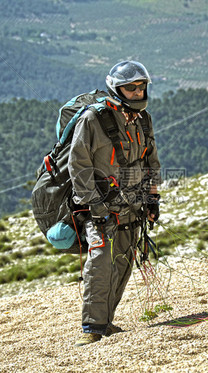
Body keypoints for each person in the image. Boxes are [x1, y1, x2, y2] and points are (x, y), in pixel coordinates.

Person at [68, 61, 162, 346]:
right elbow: (78, 164)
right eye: (130, 88)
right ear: (116, 89)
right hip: (100, 207)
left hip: (133, 205)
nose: (136, 92)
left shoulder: (143, 119)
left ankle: (106, 322)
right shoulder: (93, 120)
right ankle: (91, 329)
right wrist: (93, 205)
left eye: (141, 86)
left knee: (123, 263)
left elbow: (151, 161)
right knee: (101, 263)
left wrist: (152, 198)